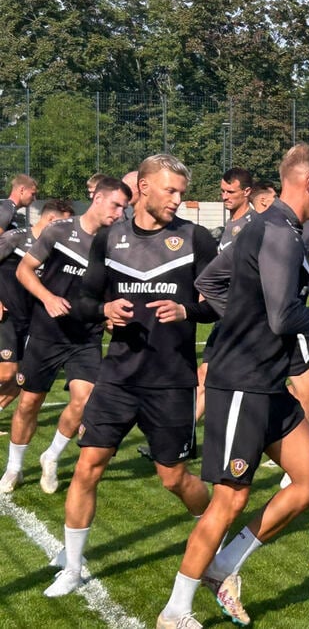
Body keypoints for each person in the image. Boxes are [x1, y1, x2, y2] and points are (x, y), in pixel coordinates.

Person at [157, 145, 309, 628]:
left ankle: (222, 568)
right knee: (230, 500)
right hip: (241, 382)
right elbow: (283, 316)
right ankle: (175, 611)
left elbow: (212, 282)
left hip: (268, 381)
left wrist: (246, 314)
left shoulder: (280, 229)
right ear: (308, 182)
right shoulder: (279, 233)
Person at [43, 155, 220, 598]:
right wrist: (103, 310)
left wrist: (187, 309)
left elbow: (224, 304)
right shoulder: (109, 237)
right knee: (88, 467)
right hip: (118, 377)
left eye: (181, 191)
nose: (178, 200)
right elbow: (84, 301)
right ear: (142, 187)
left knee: (173, 477)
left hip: (171, 379)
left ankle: (212, 531)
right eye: (170, 191)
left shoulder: (196, 238)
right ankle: (73, 567)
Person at [0, 178, 128, 495]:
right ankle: (13, 468)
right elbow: (24, 270)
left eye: (125, 207)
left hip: (86, 337)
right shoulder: (59, 231)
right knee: (29, 403)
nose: (120, 212)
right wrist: (47, 297)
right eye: (116, 204)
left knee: (85, 400)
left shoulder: (115, 243)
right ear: (98, 199)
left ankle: (52, 456)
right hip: (47, 333)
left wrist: (111, 314)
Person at [0, 200, 75, 424]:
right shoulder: (16, 238)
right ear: (52, 219)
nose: (68, 229)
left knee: (22, 379)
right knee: (6, 373)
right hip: (7, 316)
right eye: (65, 223)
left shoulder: (54, 248)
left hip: (31, 321)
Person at [194, 167, 256, 423]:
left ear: (247, 192)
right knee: (205, 374)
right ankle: (183, 435)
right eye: (222, 191)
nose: (224, 196)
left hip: (243, 315)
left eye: (230, 191)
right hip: (224, 313)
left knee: (240, 382)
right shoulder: (230, 226)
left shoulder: (254, 226)